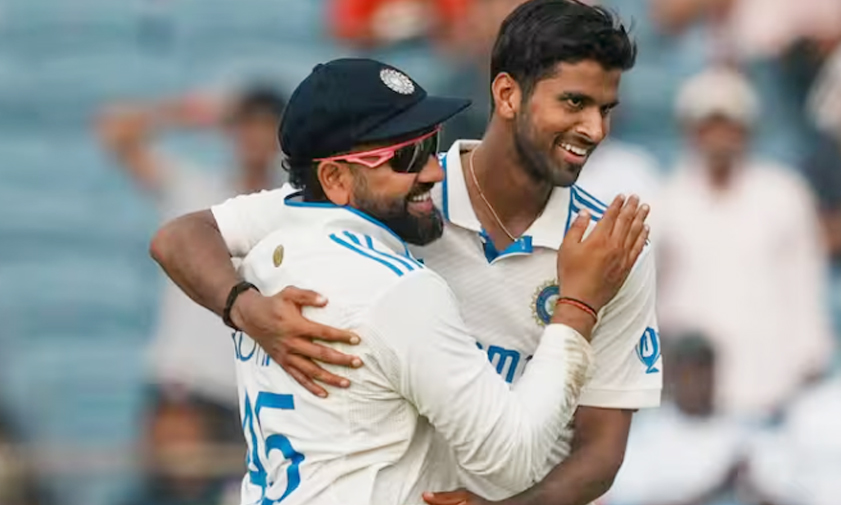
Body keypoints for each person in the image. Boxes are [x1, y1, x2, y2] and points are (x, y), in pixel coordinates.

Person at [150, 2, 661, 504]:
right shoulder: (393, 198)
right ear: (507, 95)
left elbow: (600, 452)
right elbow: (181, 236)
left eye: (606, 109)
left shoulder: (609, 249)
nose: (595, 130)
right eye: (574, 103)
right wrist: (245, 309)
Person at [97, 86, 286, 418]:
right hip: (186, 384)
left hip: (251, 391)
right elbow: (115, 132)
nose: (256, 137)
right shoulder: (196, 191)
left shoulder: (287, 210)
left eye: (266, 126)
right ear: (232, 131)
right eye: (248, 125)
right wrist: (191, 114)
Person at [656, 67, 833, 419]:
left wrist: (812, 353)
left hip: (775, 385)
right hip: (693, 394)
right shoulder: (663, 200)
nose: (720, 137)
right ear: (691, 131)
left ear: (747, 130)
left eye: (730, 125)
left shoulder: (783, 191)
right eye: (710, 125)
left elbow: (806, 277)